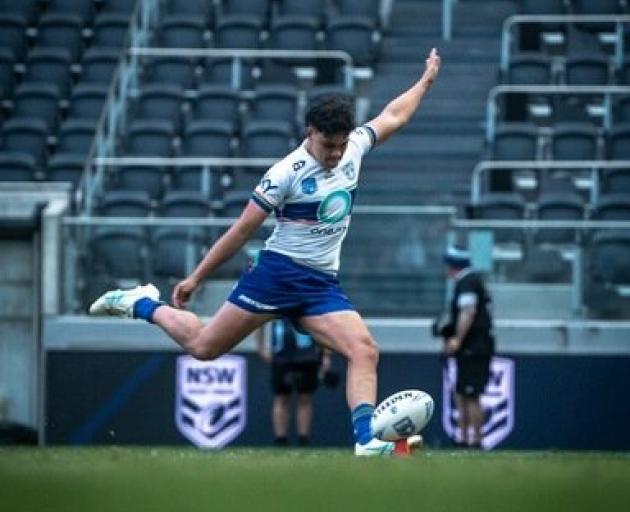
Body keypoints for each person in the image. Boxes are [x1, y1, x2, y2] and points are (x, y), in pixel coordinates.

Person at [89, 48, 441, 456]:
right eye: (328, 145)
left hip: (320, 285)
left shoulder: (355, 148)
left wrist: (425, 81)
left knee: (364, 349)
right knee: (204, 347)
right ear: (310, 131)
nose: (335, 155)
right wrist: (197, 276)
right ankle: (141, 303)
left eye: (340, 146)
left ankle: (365, 442)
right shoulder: (284, 175)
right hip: (277, 275)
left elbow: (393, 115)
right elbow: (241, 231)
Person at [441, 245, 495, 449]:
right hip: (472, 346)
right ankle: (463, 437)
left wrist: (457, 339)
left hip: (474, 346)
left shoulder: (468, 283)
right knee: (462, 392)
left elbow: (468, 312)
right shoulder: (471, 281)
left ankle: (476, 439)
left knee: (472, 394)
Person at [255, 317, 331, 446]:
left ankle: (303, 438)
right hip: (281, 355)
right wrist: (261, 347)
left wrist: (325, 354)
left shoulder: (309, 299)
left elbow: (322, 325)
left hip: (307, 356)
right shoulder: (274, 300)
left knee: (305, 397)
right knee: (281, 397)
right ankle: (280, 438)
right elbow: (258, 322)